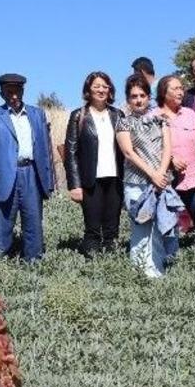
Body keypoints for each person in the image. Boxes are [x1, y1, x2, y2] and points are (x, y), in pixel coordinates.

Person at [0, 73, 55, 261]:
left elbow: (47, 150)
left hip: (32, 173)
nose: (14, 96)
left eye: (17, 92)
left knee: (33, 222)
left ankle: (34, 262)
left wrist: (50, 180)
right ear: (2, 93)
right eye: (9, 92)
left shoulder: (37, 114)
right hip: (4, 176)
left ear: (23, 91)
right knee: (2, 222)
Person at [116, 74, 180, 277]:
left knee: (161, 228)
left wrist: (160, 174)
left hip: (160, 182)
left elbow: (167, 148)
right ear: (128, 99)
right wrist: (152, 173)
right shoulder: (123, 123)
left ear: (148, 96)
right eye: (134, 96)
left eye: (142, 95)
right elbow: (128, 152)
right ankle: (140, 274)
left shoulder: (161, 120)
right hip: (137, 184)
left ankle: (157, 273)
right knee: (141, 229)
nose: (138, 100)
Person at [63, 71, 124, 256]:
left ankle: (111, 256)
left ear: (110, 90)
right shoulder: (78, 116)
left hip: (115, 177)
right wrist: (74, 185)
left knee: (112, 223)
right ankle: (91, 259)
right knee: (93, 223)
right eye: (96, 86)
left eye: (105, 86)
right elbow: (71, 152)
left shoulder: (118, 114)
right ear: (88, 89)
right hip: (90, 178)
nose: (101, 90)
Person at [155, 75, 195, 244]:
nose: (180, 92)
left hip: (192, 177)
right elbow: (149, 148)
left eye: (181, 88)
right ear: (163, 92)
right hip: (165, 179)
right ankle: (167, 255)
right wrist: (170, 160)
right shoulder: (154, 116)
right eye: (175, 89)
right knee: (165, 219)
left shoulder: (190, 114)